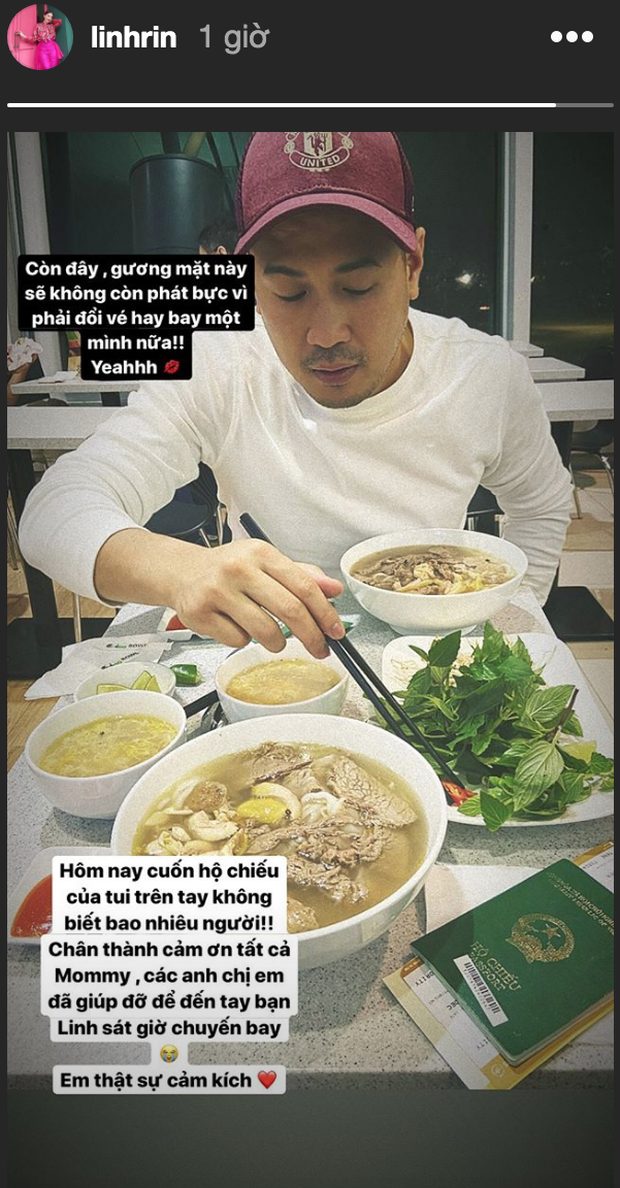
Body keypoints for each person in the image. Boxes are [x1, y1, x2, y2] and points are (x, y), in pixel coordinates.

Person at [19, 131, 573, 659]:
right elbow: (55, 510)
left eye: (358, 287)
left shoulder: (485, 374)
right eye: (288, 292)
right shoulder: (220, 364)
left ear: (412, 266)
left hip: (432, 642)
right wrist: (180, 569)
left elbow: (542, 505)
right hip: (273, 649)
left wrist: (508, 622)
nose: (326, 334)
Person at [16, 4, 63, 70]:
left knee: (54, 64)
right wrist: (23, 35)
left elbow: (59, 21)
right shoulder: (37, 26)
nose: (49, 18)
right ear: (44, 15)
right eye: (48, 16)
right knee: (45, 66)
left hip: (52, 48)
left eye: (51, 17)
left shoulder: (52, 26)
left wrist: (51, 20)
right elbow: (33, 39)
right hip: (42, 48)